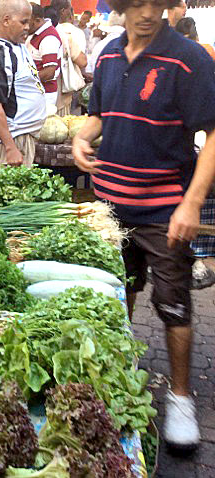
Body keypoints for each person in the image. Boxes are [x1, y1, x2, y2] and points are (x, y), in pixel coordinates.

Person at [72, 0, 215, 451]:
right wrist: (81, 135)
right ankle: (118, 369)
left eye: (157, 3)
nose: (147, 13)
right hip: (111, 209)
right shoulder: (109, 55)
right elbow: (101, 114)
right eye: (136, 4)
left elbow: (213, 134)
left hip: (163, 209)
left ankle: (179, 398)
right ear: (121, 8)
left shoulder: (189, 59)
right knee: (120, 291)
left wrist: (191, 204)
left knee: (173, 303)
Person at [0, 0, 47, 171]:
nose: (27, 27)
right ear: (6, 20)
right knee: (7, 196)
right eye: (23, 22)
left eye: (29, 22)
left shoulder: (17, 46)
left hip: (21, 138)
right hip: (10, 142)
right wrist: (10, 148)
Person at [27, 3, 63, 107]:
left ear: (37, 20)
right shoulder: (36, 34)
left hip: (43, 94)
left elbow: (49, 72)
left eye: (26, 21)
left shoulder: (48, 38)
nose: (24, 25)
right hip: (36, 93)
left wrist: (24, 79)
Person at [55, 2, 87, 115]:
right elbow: (82, 61)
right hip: (66, 87)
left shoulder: (37, 34)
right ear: (65, 11)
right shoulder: (71, 34)